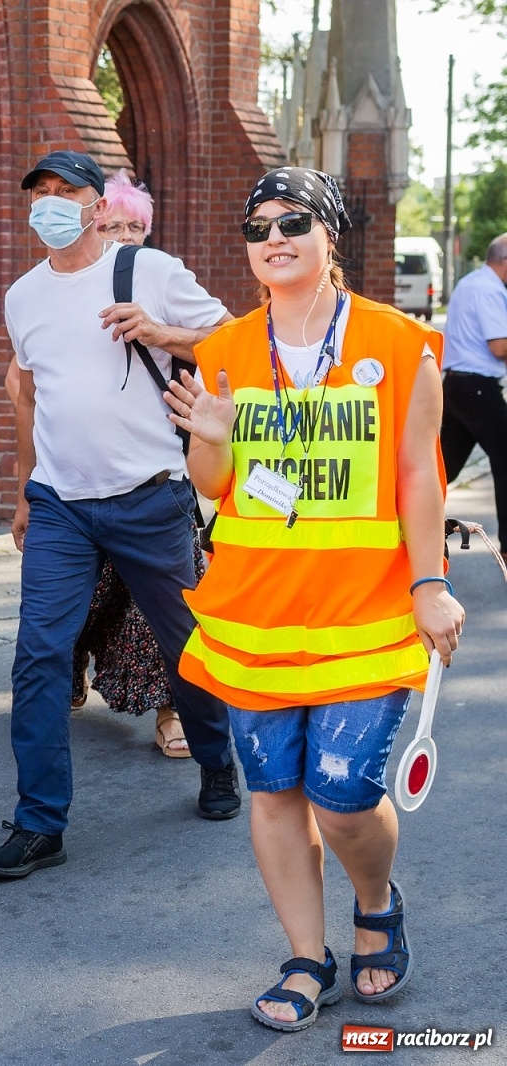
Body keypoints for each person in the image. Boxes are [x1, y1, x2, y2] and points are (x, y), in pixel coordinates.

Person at [165, 167, 462, 1032]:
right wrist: (210, 442)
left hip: (367, 614)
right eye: (257, 227)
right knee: (274, 793)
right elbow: (215, 489)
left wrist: (431, 583)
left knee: (341, 794)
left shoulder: (404, 343)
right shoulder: (221, 352)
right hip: (253, 614)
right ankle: (306, 953)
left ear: (332, 234)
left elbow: (418, 476)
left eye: (295, 221)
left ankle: (376, 901)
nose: (275, 238)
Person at [0, 150, 241, 880]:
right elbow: (35, 398)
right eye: (38, 193)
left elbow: (236, 346)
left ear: (100, 207)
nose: (50, 204)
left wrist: (162, 333)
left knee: (184, 644)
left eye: (66, 192)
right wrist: (28, 490)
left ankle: (217, 763)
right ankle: (40, 824)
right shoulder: (23, 296)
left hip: (149, 496)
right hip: (62, 505)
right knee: (38, 657)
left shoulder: (149, 272)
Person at [60, 170, 204, 757]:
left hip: (159, 475)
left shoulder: (163, 278)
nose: (125, 234)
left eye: (135, 226)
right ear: (93, 222)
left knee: (165, 610)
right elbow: (27, 384)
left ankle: (174, 713)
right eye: (114, 224)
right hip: (79, 482)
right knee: (83, 596)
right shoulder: (64, 286)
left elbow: (223, 343)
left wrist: (160, 331)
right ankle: (67, 668)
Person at [438, 232, 507, 536]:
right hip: (478, 389)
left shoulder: (469, 283)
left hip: (455, 387)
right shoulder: (491, 290)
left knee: (442, 468)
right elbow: (499, 346)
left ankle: (400, 522)